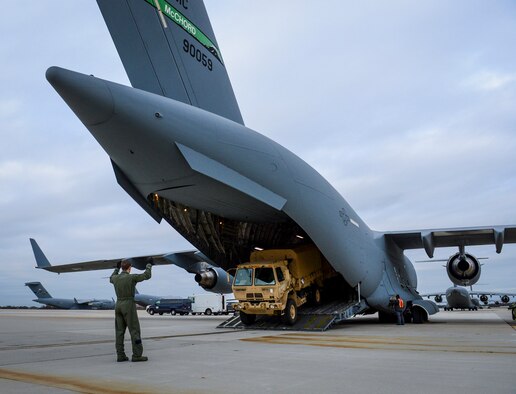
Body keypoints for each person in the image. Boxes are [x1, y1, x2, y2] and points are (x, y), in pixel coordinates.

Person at [110, 260, 152, 362]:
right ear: (130, 268)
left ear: (122, 267)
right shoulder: (131, 277)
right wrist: (149, 265)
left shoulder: (115, 278)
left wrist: (116, 268)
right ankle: (137, 355)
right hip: (128, 304)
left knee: (119, 332)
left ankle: (120, 355)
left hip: (118, 304)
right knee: (134, 330)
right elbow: (147, 275)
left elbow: (111, 278)